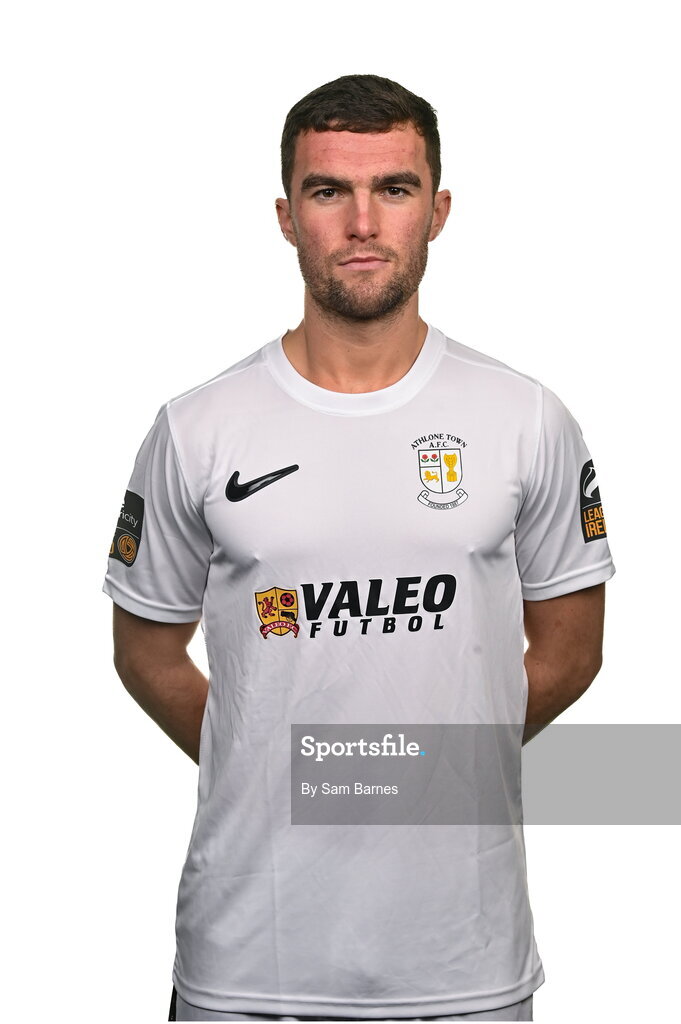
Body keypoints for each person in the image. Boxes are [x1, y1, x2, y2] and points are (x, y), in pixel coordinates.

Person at [103, 74, 615, 1023]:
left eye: (395, 187)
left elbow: (571, 650)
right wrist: (264, 755)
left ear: (439, 209)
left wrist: (406, 769)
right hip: (248, 963)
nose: (362, 222)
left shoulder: (524, 419)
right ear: (287, 216)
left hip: (462, 966)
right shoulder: (196, 428)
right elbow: (145, 652)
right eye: (328, 191)